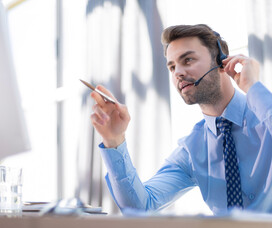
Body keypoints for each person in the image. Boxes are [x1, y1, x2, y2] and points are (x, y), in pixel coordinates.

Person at [89, 24, 272, 215]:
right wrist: (114, 140)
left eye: (188, 60)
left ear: (221, 61)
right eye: (172, 66)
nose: (178, 73)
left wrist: (253, 87)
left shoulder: (264, 114)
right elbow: (140, 207)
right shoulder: (192, 149)